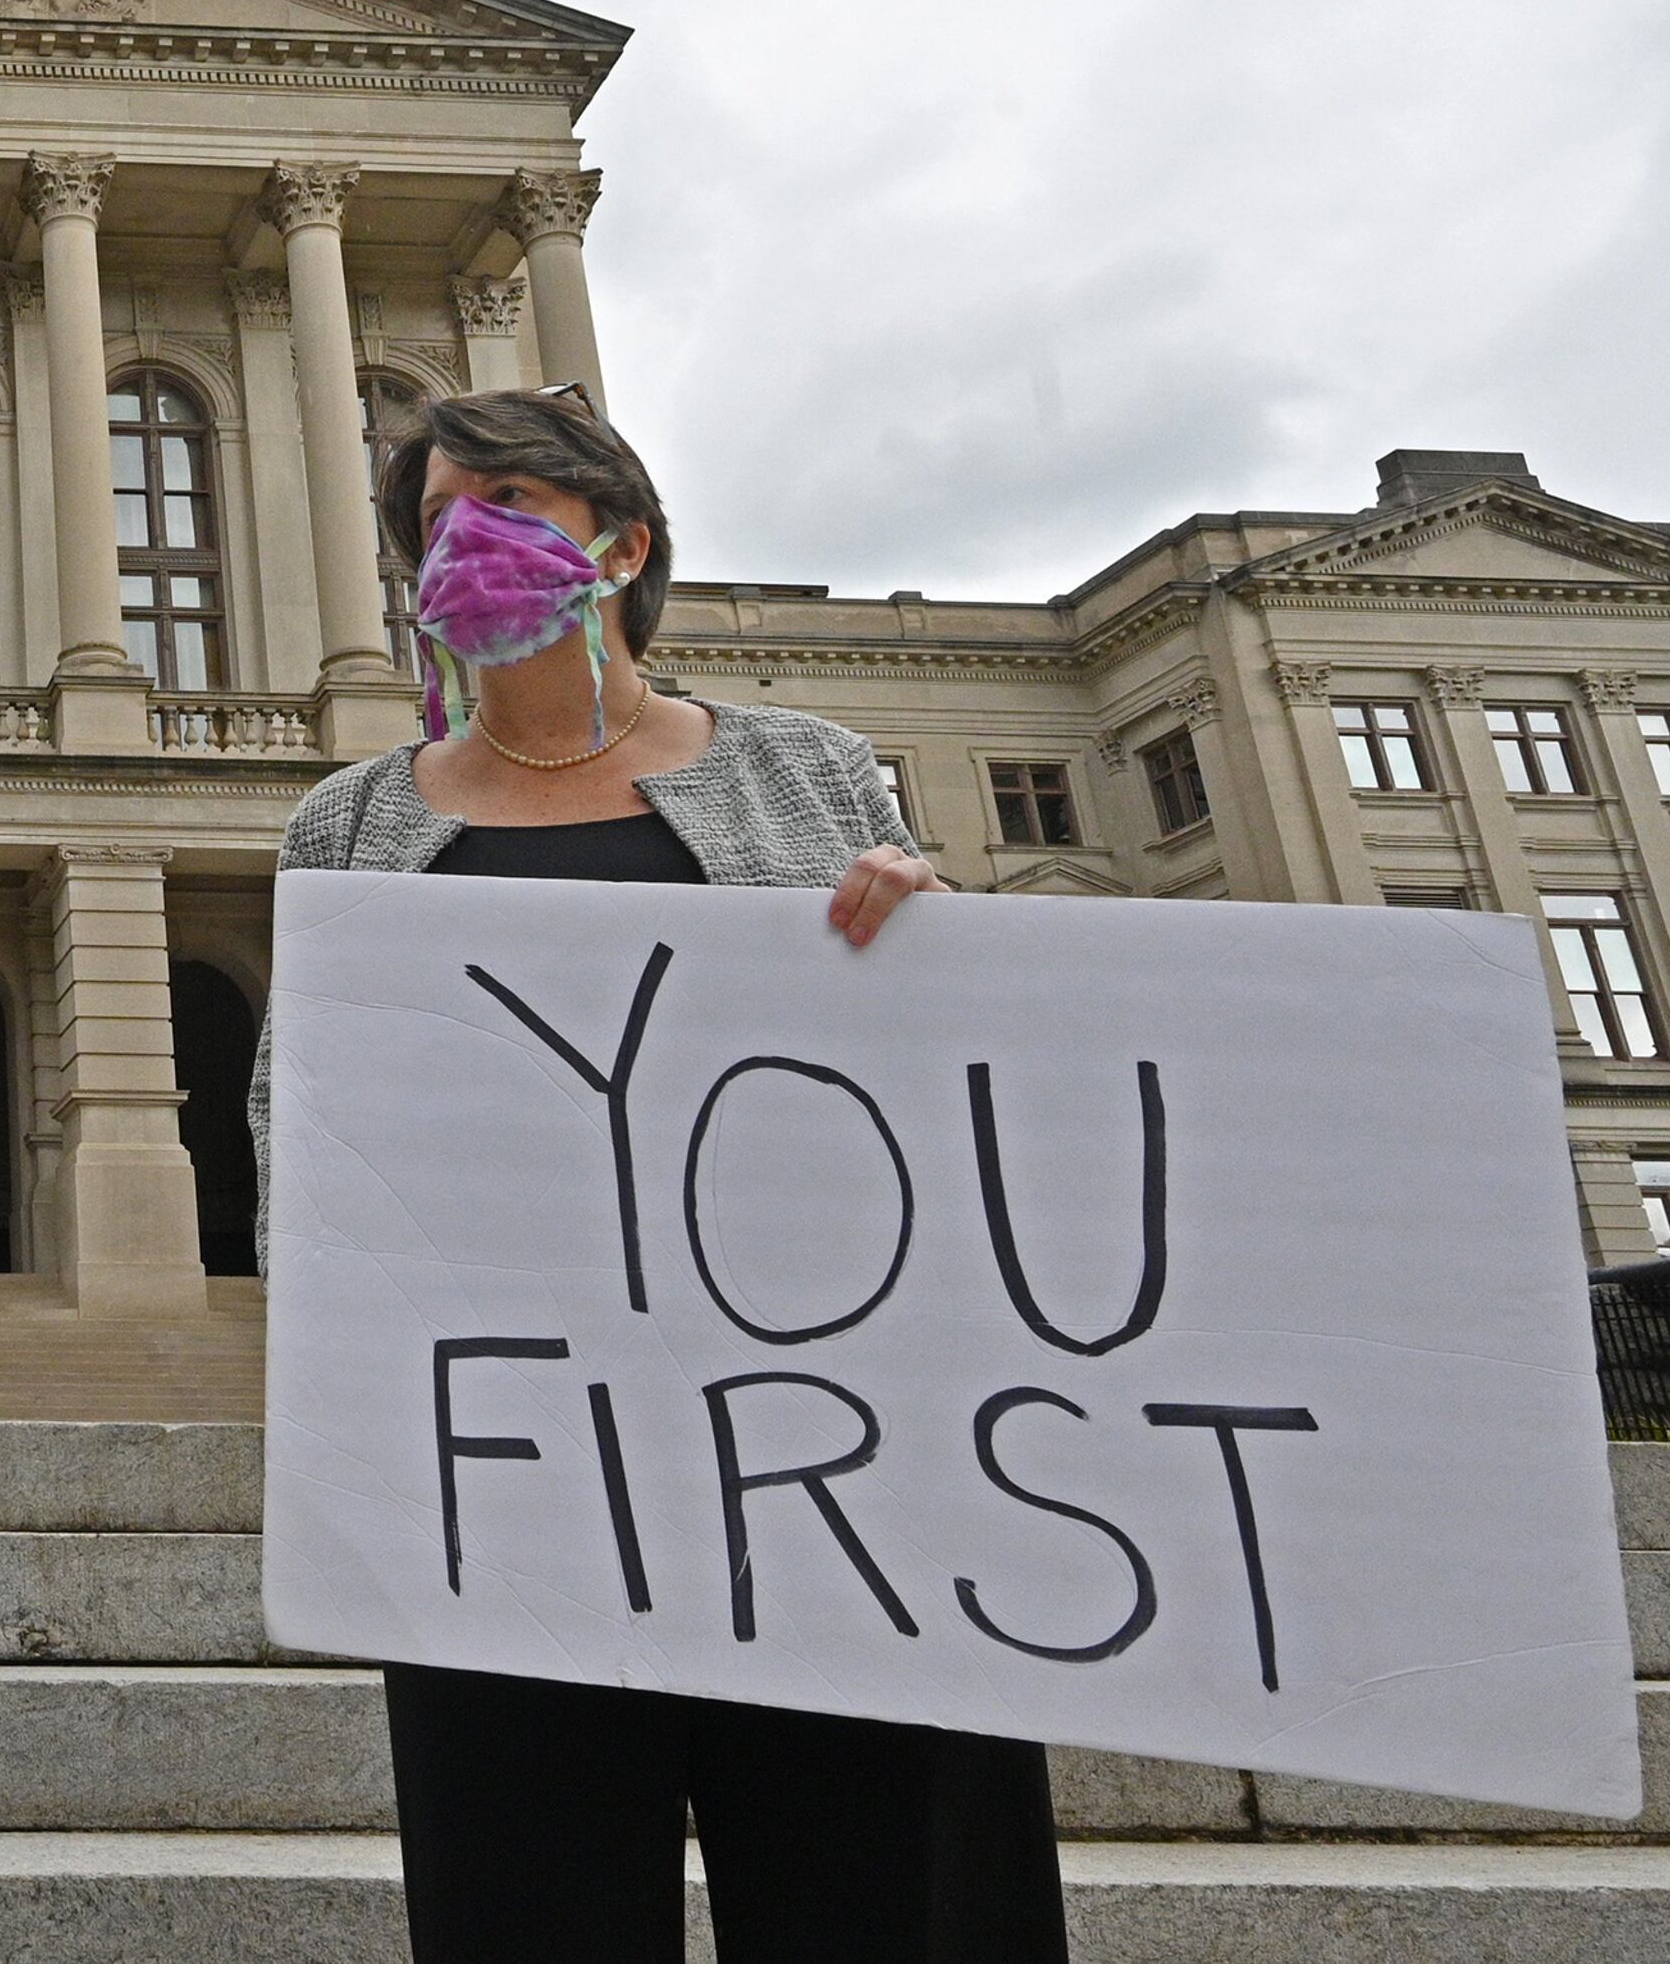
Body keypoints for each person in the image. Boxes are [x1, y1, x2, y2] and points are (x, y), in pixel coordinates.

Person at [250, 387, 1067, 1964]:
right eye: (435, 521)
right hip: (523, 1492)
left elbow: (949, 1091)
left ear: (619, 542)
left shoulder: (810, 773)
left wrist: (938, 940)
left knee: (886, 1906)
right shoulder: (347, 825)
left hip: (841, 1482)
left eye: (507, 503)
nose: (464, 541)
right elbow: (308, 1137)